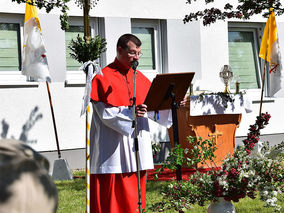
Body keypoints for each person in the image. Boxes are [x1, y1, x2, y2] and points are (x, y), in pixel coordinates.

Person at [89, 34, 165, 213]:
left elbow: (154, 106)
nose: (136, 58)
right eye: (132, 53)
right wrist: (130, 113)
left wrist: (173, 100)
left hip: (137, 143)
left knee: (135, 192)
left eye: (139, 53)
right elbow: (105, 113)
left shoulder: (140, 77)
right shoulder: (103, 77)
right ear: (119, 50)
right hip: (113, 145)